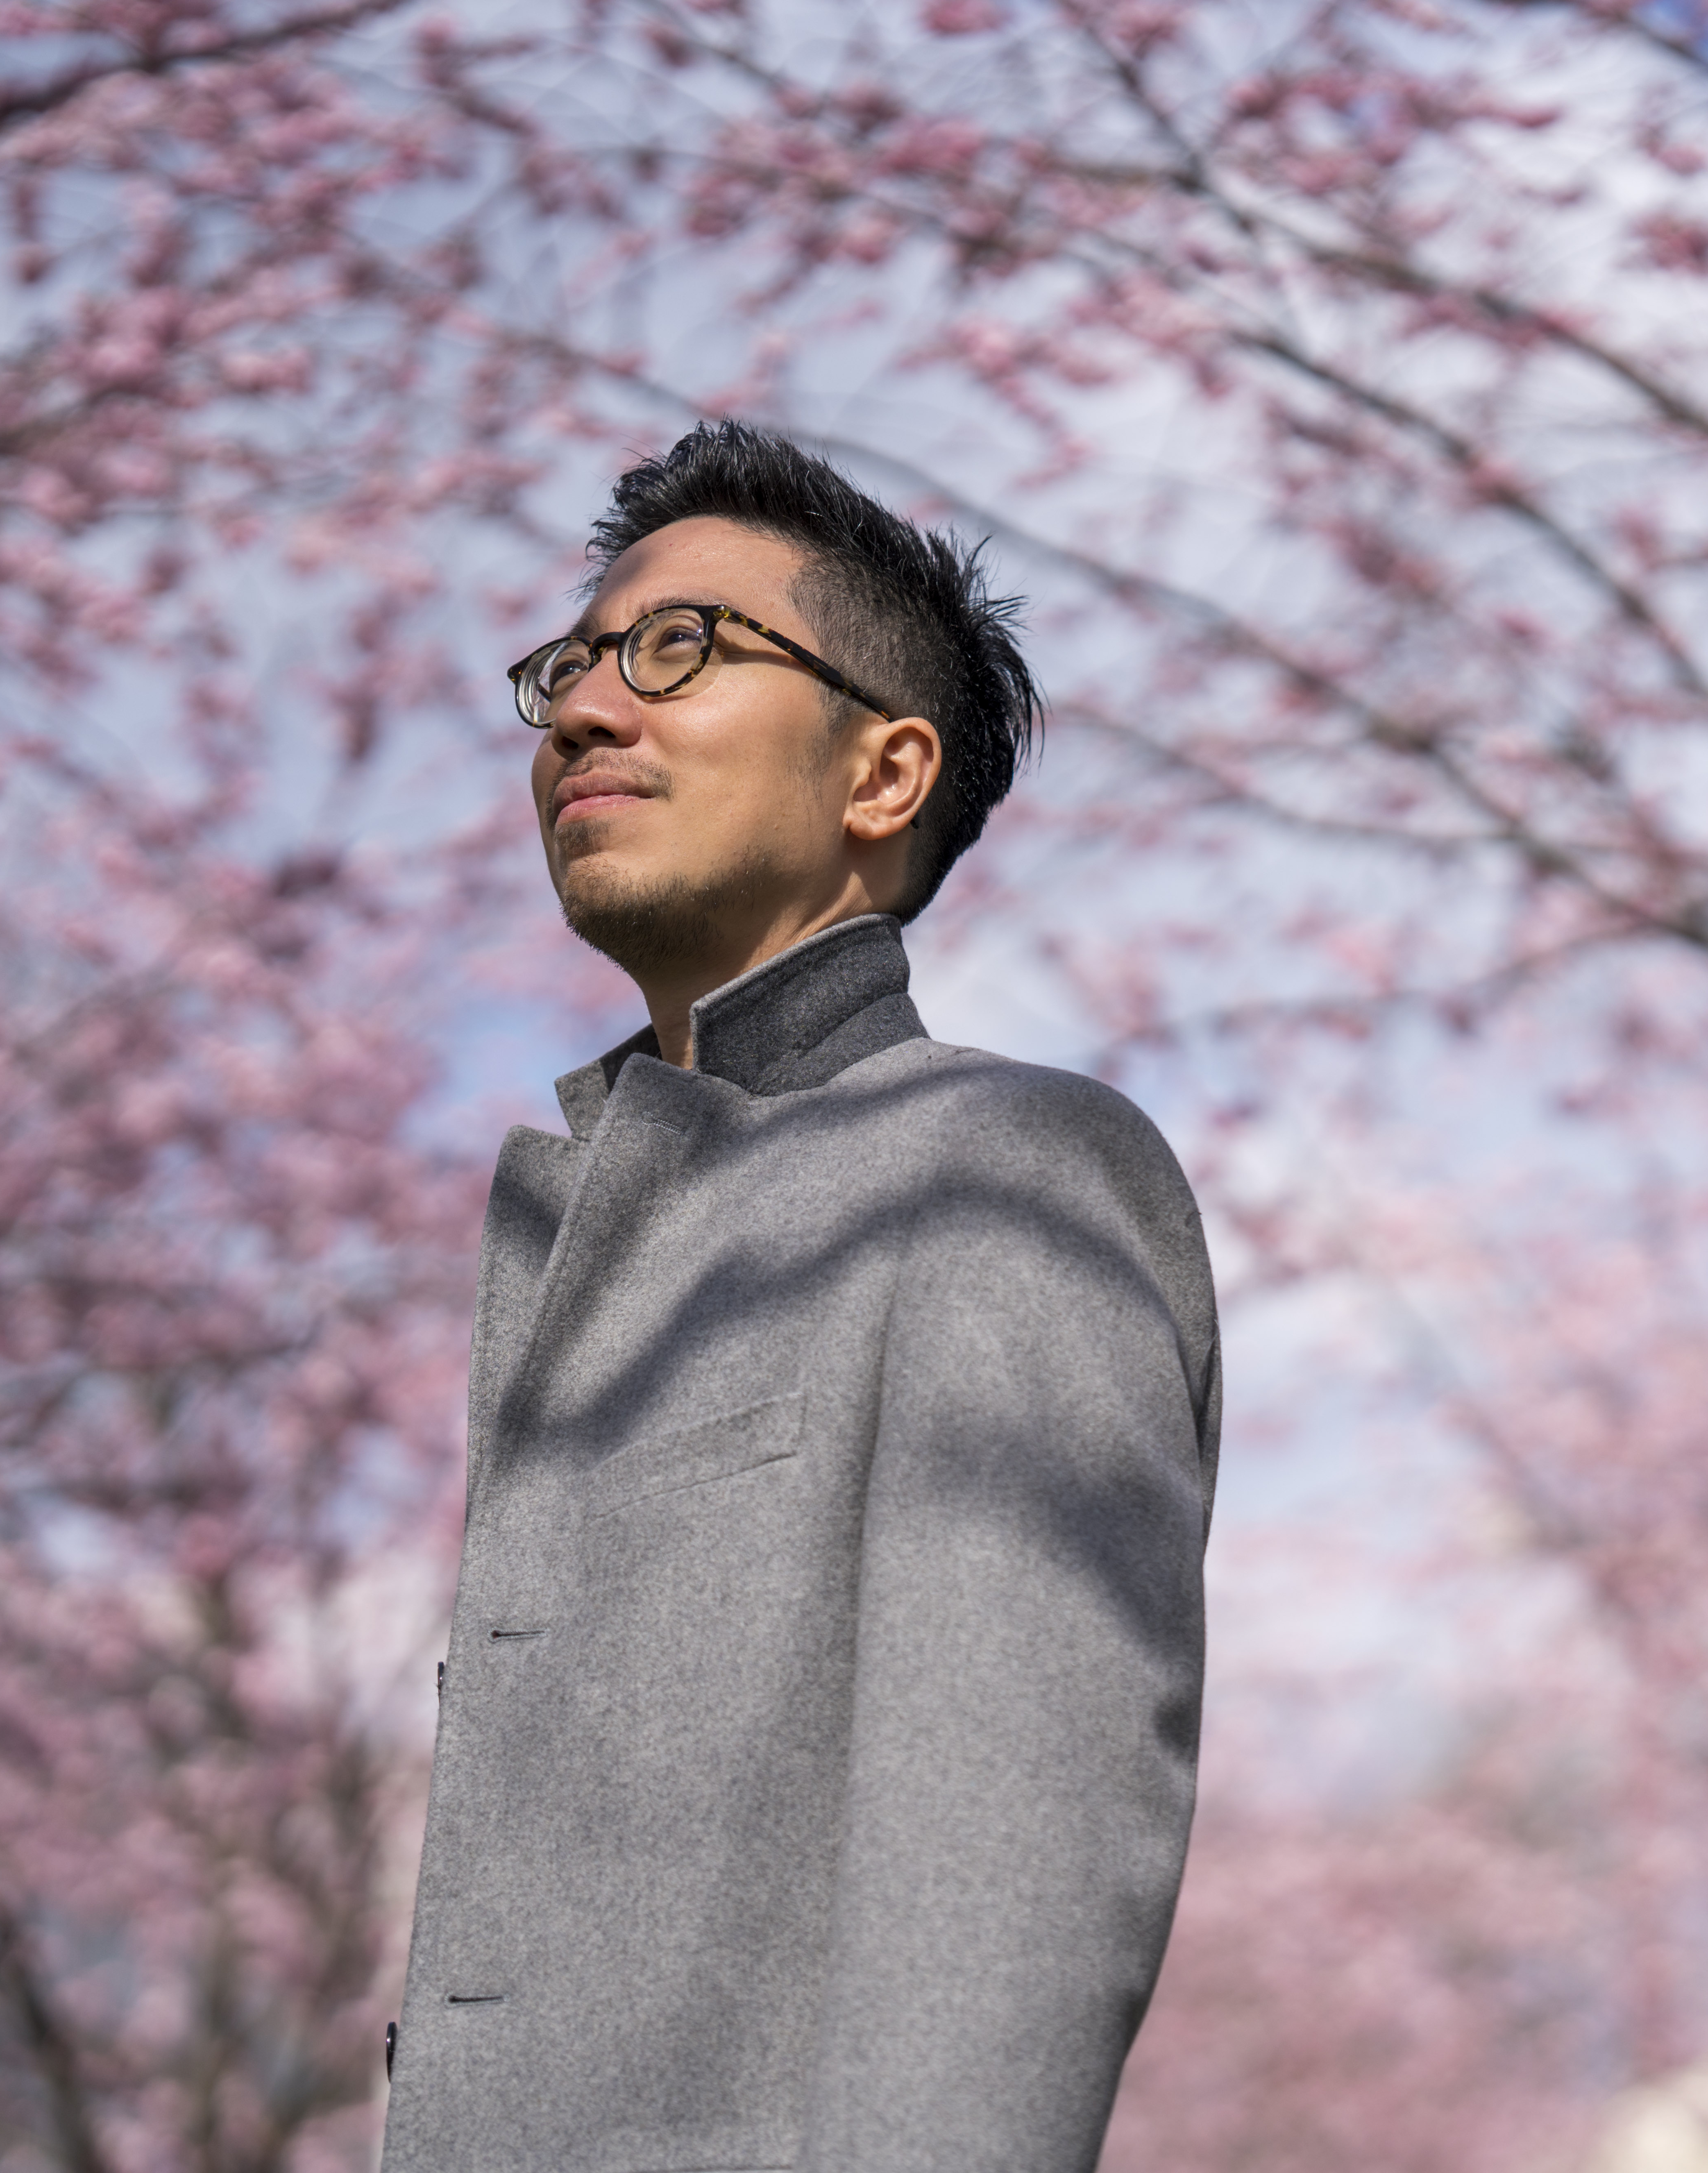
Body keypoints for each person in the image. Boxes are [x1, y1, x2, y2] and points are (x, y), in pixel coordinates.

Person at [379, 422, 1221, 2173]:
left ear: (884, 772)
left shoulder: (1002, 1175)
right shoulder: (591, 1219)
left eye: (680, 649)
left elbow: (1004, 1894)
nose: (587, 712)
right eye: (572, 667)